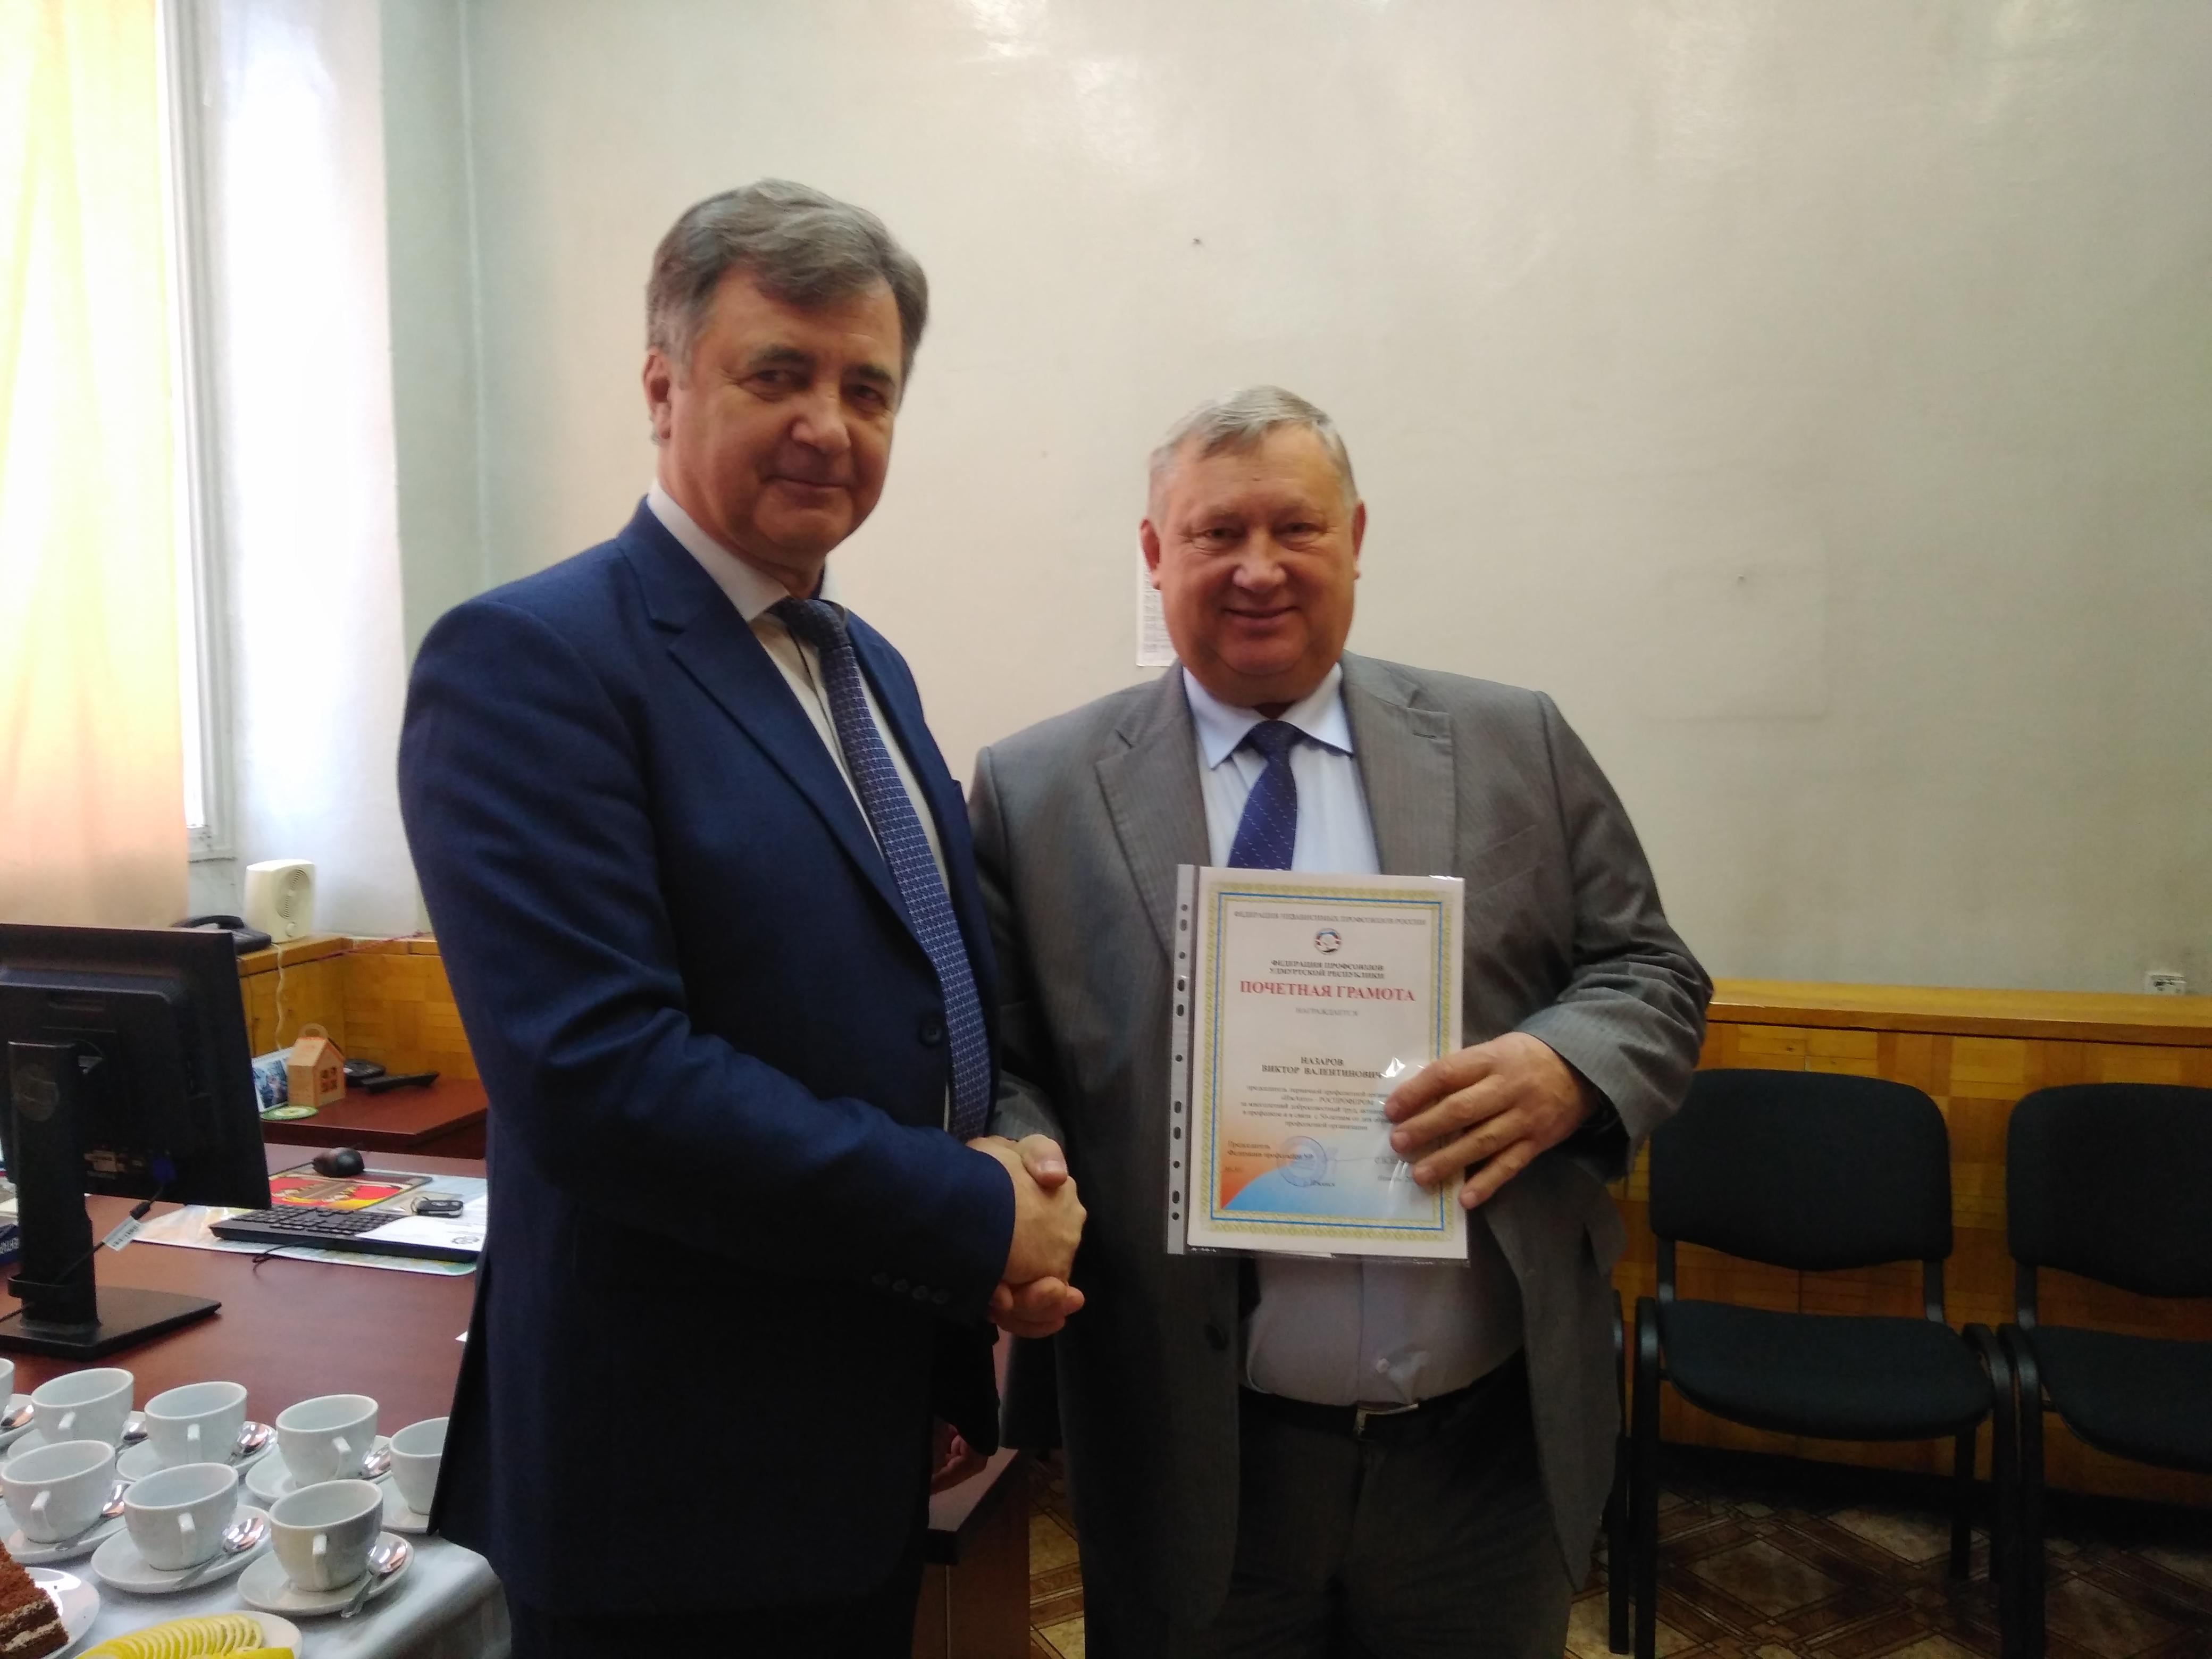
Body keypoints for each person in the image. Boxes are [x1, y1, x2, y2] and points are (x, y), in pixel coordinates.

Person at [398, 181, 1084, 1658]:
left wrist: (999, 1219)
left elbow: (927, 999)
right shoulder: (530, 660)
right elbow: (603, 1081)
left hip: (860, 1438)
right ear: (663, 388)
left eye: (868, 389)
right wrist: (973, 1215)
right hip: (670, 1493)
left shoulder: (864, 663)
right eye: (778, 374)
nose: (828, 425)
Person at [970, 386, 1711, 1657]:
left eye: (1296, 528)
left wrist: (1566, 1067)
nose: (1257, 568)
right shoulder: (1036, 787)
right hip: (1192, 1452)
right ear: (1155, 554)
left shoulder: (1513, 741)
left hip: (1485, 1453)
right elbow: (1004, 1056)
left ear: (1355, 537)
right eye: (1215, 533)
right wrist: (1020, 1174)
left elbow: (1651, 972)